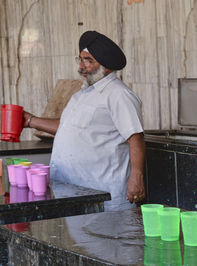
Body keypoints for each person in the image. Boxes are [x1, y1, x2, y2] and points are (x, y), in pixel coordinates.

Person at [23, 30, 146, 211]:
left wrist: (137, 176)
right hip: (77, 191)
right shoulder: (82, 94)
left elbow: (135, 137)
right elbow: (68, 128)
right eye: (80, 59)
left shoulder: (118, 95)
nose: (81, 66)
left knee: (106, 238)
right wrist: (30, 121)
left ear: (106, 66)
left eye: (88, 60)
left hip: (105, 193)